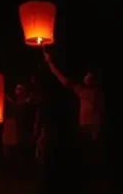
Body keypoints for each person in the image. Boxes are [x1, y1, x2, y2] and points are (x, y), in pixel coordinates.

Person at [43, 51, 104, 187]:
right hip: (89, 127)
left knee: (92, 154)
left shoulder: (90, 93)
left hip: (92, 128)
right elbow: (62, 79)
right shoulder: (87, 92)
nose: (85, 77)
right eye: (86, 76)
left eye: (88, 76)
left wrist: (50, 63)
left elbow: (62, 79)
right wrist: (50, 63)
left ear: (92, 80)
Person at [3, 83, 36, 166]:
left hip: (26, 129)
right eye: (16, 88)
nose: (17, 90)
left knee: (24, 151)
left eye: (20, 88)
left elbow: (20, 108)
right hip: (17, 130)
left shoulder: (28, 101)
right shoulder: (17, 102)